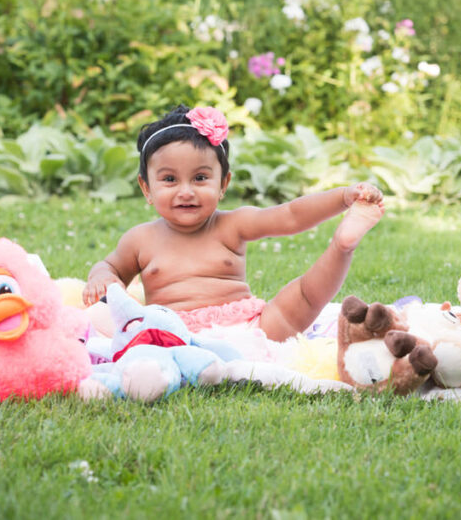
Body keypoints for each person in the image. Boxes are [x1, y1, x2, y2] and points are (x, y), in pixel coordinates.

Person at [83, 104, 384, 342]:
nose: (186, 191)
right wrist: (101, 277)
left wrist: (343, 197)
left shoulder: (232, 225)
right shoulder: (140, 239)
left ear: (223, 183)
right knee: (100, 319)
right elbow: (111, 267)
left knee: (303, 297)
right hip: (173, 333)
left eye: (200, 178)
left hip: (249, 328)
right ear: (147, 187)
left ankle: (342, 246)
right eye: (170, 179)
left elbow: (290, 215)